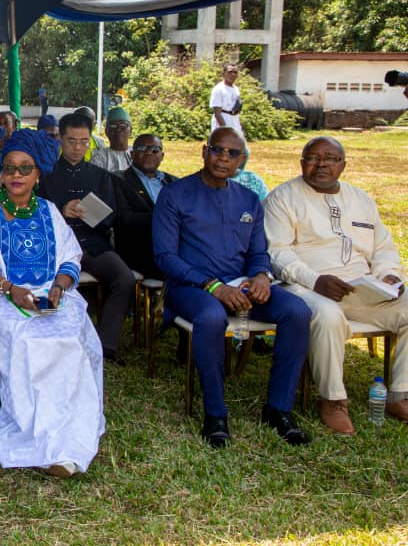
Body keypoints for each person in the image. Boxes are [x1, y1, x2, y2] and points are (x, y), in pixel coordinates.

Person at [153, 127, 311, 448]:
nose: (224, 158)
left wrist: (261, 276)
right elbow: (165, 257)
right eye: (217, 150)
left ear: (242, 160)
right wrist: (212, 286)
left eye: (233, 153)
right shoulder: (175, 194)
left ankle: (278, 408)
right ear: (204, 151)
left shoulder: (249, 199)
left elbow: (258, 252)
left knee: (297, 311)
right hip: (191, 286)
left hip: (241, 285)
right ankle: (215, 414)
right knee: (211, 317)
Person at [0, 129, 103, 477]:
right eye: (9, 168)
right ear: (1, 174)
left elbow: (70, 257)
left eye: (25, 168)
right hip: (0, 296)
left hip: (51, 296)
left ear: (38, 174)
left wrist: (59, 287)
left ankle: (68, 437)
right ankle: (38, 436)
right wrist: (11, 289)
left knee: (69, 338)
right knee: (29, 340)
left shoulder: (49, 210)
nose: (16, 175)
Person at [264, 136, 408, 433]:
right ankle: (333, 400)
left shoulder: (361, 199)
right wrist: (315, 280)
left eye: (330, 158)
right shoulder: (283, 198)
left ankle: (400, 394)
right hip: (305, 285)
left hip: (362, 289)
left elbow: (383, 247)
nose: (321, 165)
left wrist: (389, 275)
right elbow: (276, 252)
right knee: (328, 315)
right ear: (302, 162)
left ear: (343, 164)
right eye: (313, 158)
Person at [37, 112, 133, 363]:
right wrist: (61, 211)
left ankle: (104, 344)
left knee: (124, 278)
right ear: (61, 139)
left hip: (94, 245)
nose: (78, 148)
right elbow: (35, 217)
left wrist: (92, 215)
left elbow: (111, 219)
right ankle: (48, 339)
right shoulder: (45, 176)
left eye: (84, 142)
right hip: (57, 248)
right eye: (72, 141)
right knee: (42, 280)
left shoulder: (100, 176)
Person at [113, 134, 176, 279]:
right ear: (132, 154)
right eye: (142, 148)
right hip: (142, 248)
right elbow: (123, 218)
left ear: (162, 156)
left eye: (155, 150)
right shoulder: (119, 180)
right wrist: (162, 218)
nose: (148, 153)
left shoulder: (173, 182)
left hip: (177, 245)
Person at [89, 106, 132, 173]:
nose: (118, 129)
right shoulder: (99, 157)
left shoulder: (138, 154)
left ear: (131, 130)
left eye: (123, 125)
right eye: (113, 126)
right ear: (106, 131)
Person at [210, 64, 243, 136]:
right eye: (230, 72)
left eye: (235, 72)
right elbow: (217, 114)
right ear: (223, 74)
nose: (233, 74)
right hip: (223, 120)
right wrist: (226, 130)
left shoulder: (236, 89)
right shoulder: (219, 89)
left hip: (235, 120)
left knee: (239, 142)